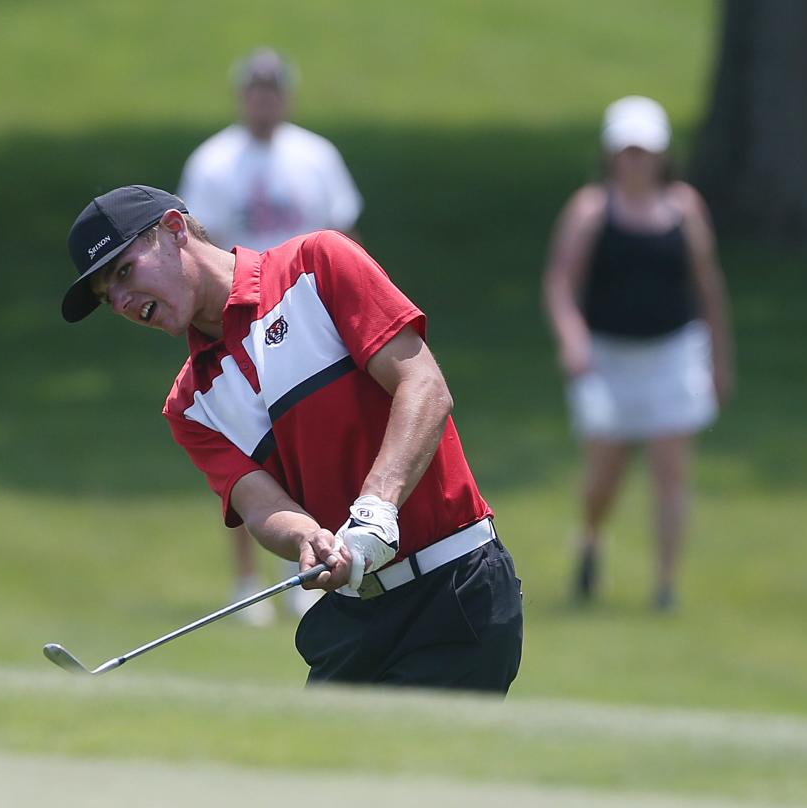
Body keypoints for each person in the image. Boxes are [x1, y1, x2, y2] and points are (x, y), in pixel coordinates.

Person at [59, 184, 522, 691]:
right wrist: (309, 539)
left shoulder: (317, 265)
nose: (122, 301)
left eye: (124, 272)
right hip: (354, 616)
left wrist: (377, 505)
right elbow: (260, 507)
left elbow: (425, 387)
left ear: (174, 230)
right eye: (109, 297)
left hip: (453, 589)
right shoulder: (190, 404)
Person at [178, 47, 365, 622]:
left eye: (273, 88)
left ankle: (312, 565)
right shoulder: (213, 161)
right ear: (243, 95)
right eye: (255, 89)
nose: (265, 99)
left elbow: (344, 229)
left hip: (309, 313)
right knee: (249, 448)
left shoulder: (316, 155)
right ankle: (246, 582)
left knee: (312, 436)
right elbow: (196, 245)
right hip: (241, 314)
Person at [542, 96, 736, 612]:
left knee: (671, 470)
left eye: (644, 152)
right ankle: (590, 537)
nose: (636, 161)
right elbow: (562, 282)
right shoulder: (590, 209)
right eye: (627, 151)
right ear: (611, 154)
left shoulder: (685, 208)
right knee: (606, 473)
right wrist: (572, 337)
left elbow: (707, 286)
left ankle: (666, 583)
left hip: (672, 352)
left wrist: (720, 356)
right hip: (608, 356)